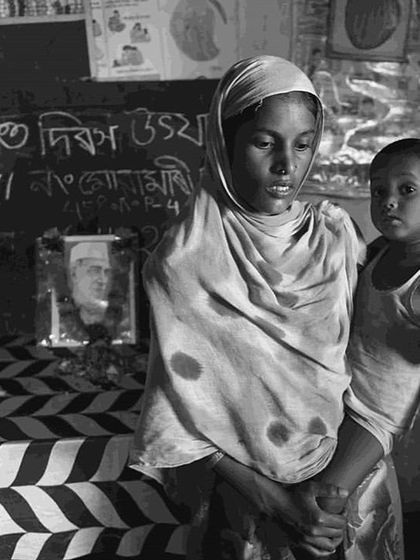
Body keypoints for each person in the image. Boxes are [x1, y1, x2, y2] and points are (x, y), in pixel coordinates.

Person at [129, 55, 400, 559]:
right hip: (246, 504)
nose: (287, 166)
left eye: (302, 145)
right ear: (225, 141)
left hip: (345, 491)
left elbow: (375, 374)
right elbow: (182, 415)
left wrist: (329, 495)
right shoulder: (184, 262)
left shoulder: (336, 236)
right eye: (263, 142)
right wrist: (280, 503)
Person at [321, 138, 420, 558]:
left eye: (407, 189)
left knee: (328, 494)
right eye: (379, 191)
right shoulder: (380, 252)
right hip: (338, 394)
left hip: (376, 417)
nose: (389, 202)